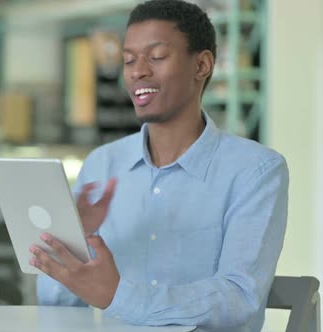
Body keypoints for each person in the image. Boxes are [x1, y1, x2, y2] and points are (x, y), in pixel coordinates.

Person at [30, 1, 289, 331]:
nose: (137, 71)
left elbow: (239, 299)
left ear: (202, 65)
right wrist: (70, 245)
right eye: (128, 59)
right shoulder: (102, 164)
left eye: (156, 56)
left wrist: (119, 297)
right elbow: (60, 312)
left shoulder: (257, 171)